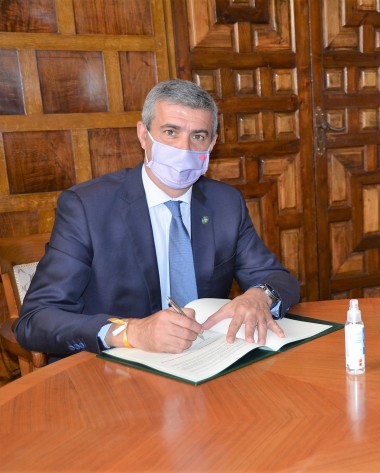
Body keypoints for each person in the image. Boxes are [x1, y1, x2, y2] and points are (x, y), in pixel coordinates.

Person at [16, 79, 300, 357]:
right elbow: (36, 320)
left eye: (198, 136)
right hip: (116, 371)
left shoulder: (225, 203)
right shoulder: (88, 207)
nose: (184, 148)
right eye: (170, 132)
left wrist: (259, 296)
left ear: (212, 143)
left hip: (206, 358)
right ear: (143, 135)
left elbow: (276, 277)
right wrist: (131, 332)